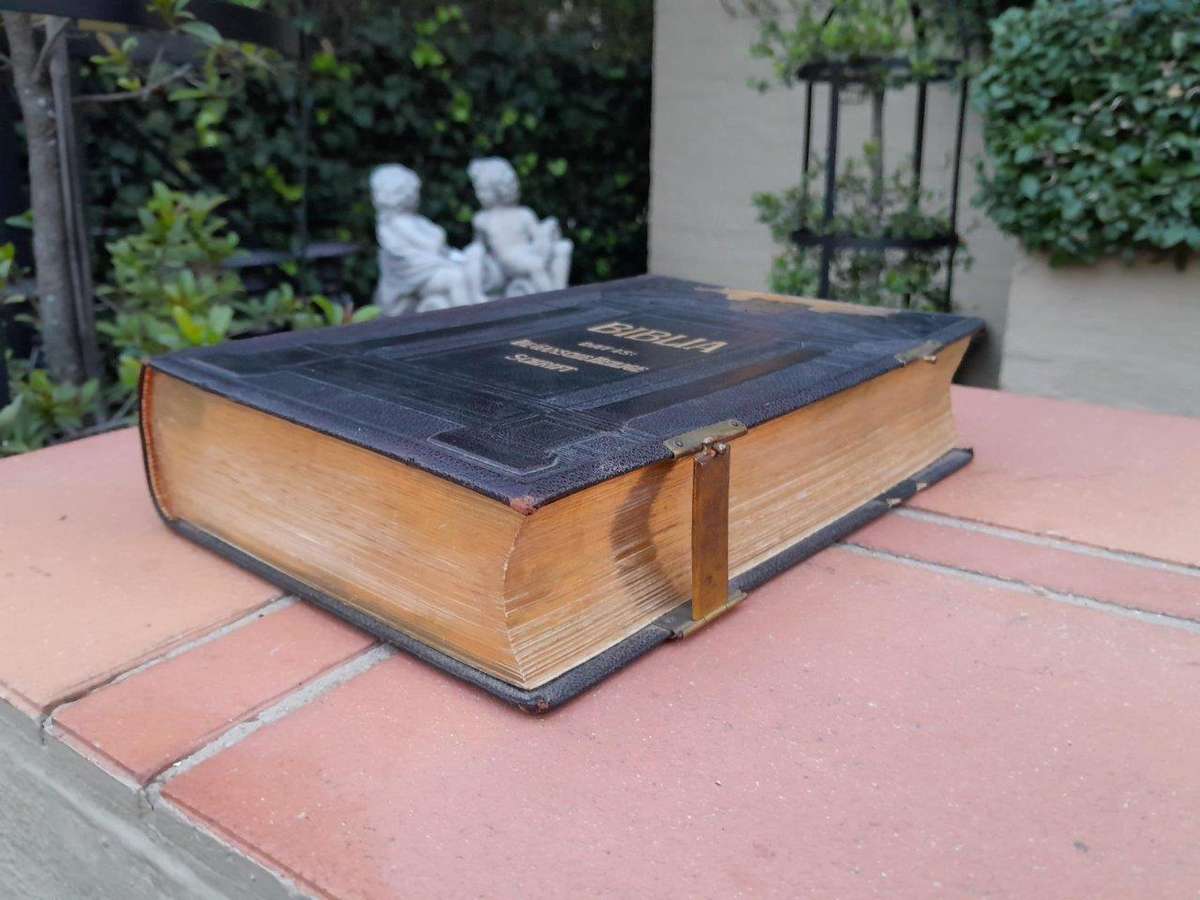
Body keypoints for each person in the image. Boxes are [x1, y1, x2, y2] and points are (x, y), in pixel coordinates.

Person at [370, 165, 485, 315]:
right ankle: (469, 318)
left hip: (432, 266)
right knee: (455, 277)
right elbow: (431, 246)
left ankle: (478, 302)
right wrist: (440, 241)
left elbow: (437, 245)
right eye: (412, 191)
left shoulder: (413, 220)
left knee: (474, 255)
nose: (416, 195)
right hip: (419, 275)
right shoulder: (397, 223)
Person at [466, 158, 572, 297]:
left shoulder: (524, 213)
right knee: (535, 265)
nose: (479, 195)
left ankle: (562, 291)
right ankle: (553, 299)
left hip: (528, 251)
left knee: (563, 247)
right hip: (508, 258)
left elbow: (537, 238)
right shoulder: (483, 219)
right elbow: (478, 248)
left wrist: (548, 230)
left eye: (482, 190)